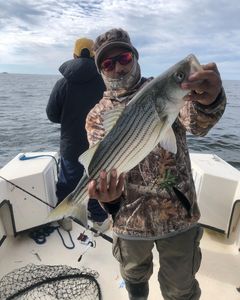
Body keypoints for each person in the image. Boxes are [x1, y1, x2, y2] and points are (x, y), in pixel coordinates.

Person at [86, 28, 226, 300]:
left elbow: (197, 123)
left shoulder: (167, 91)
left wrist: (210, 100)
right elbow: (103, 169)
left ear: (135, 57)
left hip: (178, 216)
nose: (117, 67)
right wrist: (110, 203)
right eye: (107, 63)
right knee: (134, 278)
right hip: (128, 221)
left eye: (124, 57)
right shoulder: (96, 116)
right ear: (101, 70)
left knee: (180, 290)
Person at [46, 38, 110, 232]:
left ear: (74, 55)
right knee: (95, 182)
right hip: (98, 146)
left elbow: (52, 115)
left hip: (70, 145)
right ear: (95, 56)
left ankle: (65, 218)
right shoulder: (105, 81)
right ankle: (99, 219)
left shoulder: (62, 84)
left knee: (67, 183)